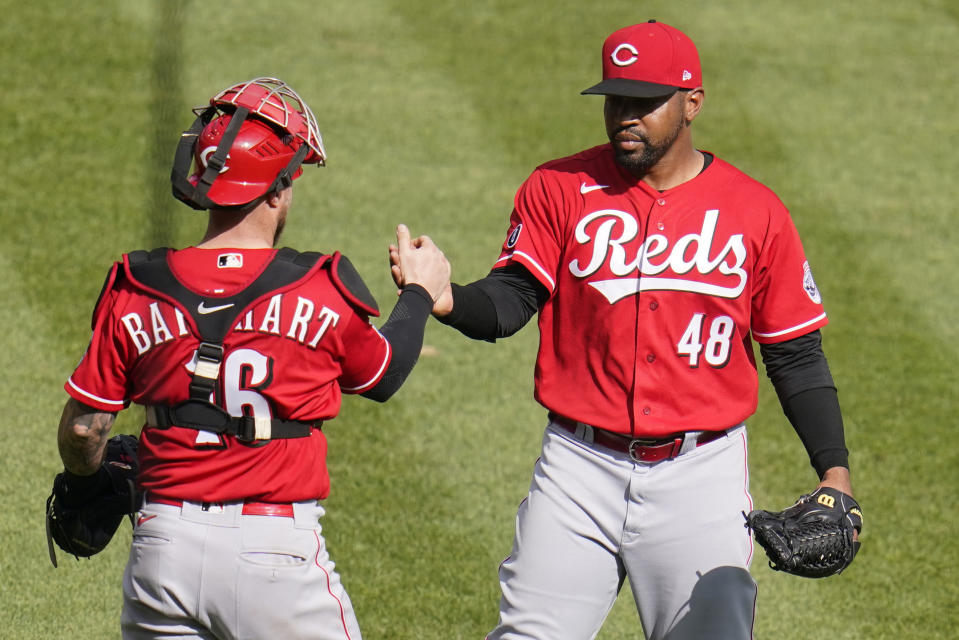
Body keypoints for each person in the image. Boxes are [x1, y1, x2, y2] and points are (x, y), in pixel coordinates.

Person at [390, 21, 858, 639]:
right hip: (578, 470)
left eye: (644, 102)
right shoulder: (558, 188)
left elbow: (795, 355)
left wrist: (835, 472)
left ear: (692, 103)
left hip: (701, 475)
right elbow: (512, 298)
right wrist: (448, 299)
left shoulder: (755, 210)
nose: (624, 117)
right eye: (616, 100)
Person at [56, 77, 449, 640]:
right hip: (274, 558)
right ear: (275, 192)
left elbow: (84, 428)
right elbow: (383, 374)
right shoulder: (318, 288)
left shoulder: (136, 287)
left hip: (162, 552)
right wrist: (418, 292)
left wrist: (82, 481)